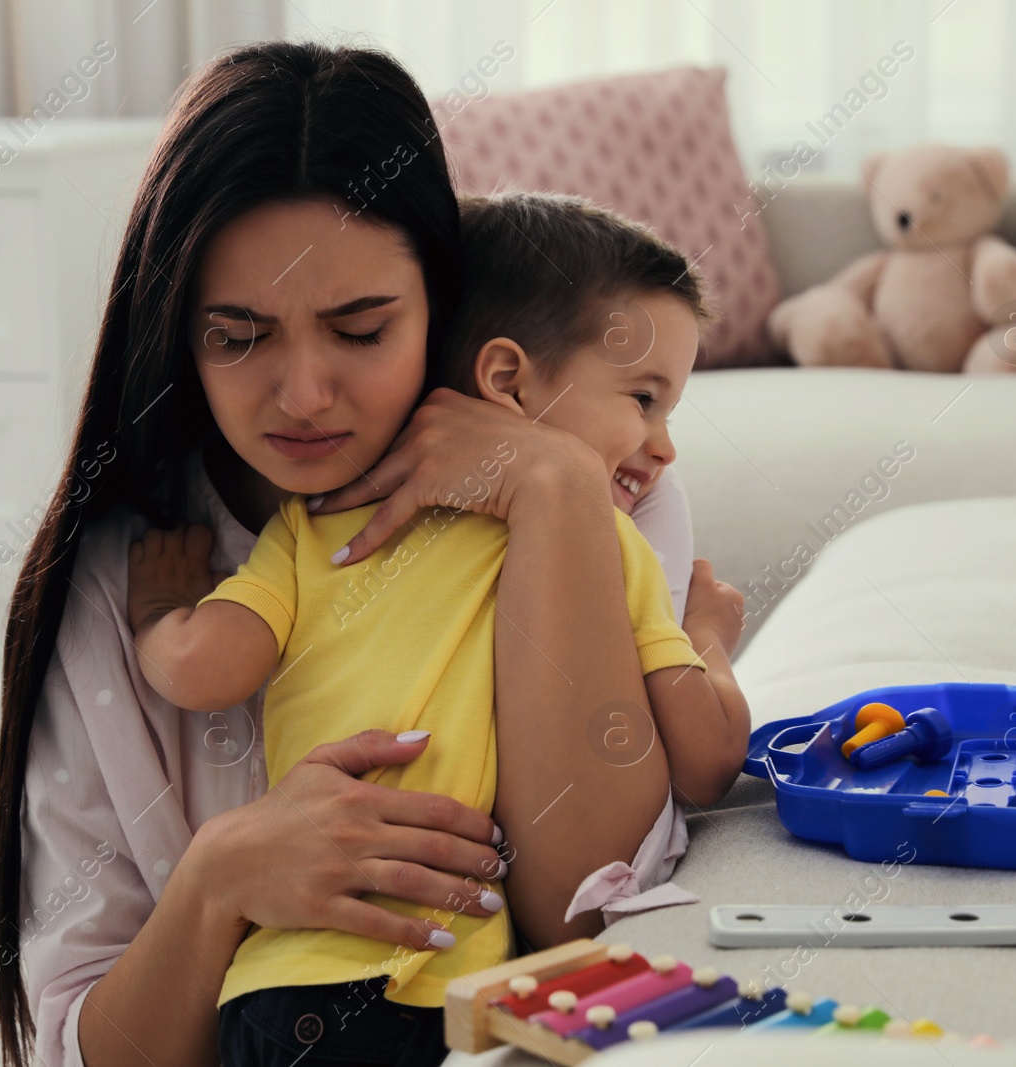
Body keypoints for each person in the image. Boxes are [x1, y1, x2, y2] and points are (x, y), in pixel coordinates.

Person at [0, 41, 740, 1067]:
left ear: (436, 306)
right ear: (176, 332)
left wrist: (552, 493)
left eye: (359, 328)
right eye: (238, 335)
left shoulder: (600, 486)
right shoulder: (130, 575)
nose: (302, 394)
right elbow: (80, 1045)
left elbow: (586, 906)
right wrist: (220, 877)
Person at [128, 192, 750, 1064]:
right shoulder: (604, 542)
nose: (663, 447)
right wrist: (705, 635)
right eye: (644, 400)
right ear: (506, 381)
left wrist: (158, 609)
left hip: (277, 982)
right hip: (439, 983)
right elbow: (711, 754)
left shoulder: (312, 527)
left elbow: (200, 666)